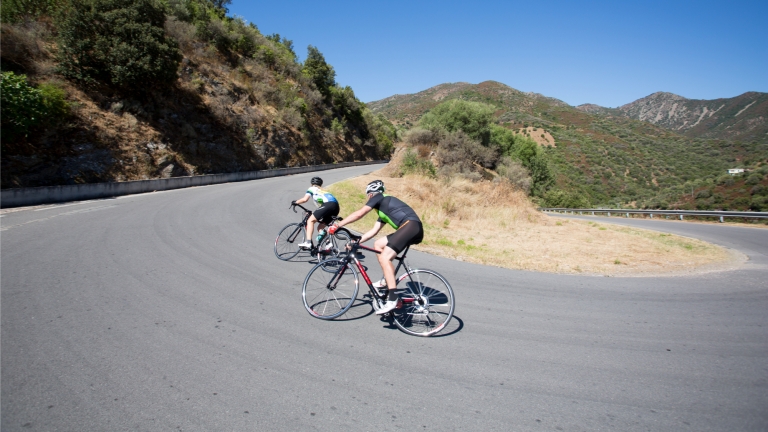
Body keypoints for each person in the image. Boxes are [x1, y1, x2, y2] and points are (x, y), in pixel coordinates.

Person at [329, 179, 423, 315]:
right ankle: (387, 280)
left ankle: (393, 298)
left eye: (368, 196)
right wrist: (356, 242)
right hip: (410, 227)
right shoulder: (383, 210)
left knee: (385, 258)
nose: (369, 199)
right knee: (378, 244)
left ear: (371, 194)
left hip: (411, 226)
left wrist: (337, 225)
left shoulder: (379, 197)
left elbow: (359, 214)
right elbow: (373, 232)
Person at [292, 177, 339, 250]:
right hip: (336, 207)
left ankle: (308, 243)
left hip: (328, 205)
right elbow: (323, 208)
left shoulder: (312, 188)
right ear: (320, 184)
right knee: (320, 227)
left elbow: (305, 199)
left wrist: (295, 202)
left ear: (312, 184)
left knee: (310, 221)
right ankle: (328, 243)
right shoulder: (322, 190)